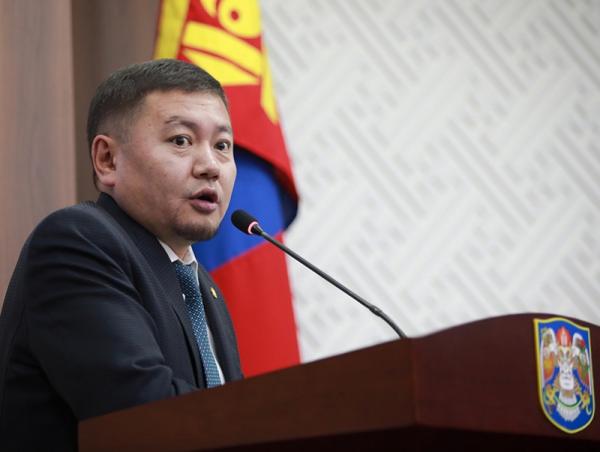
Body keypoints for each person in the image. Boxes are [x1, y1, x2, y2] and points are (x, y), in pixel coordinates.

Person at [0, 59, 243, 451]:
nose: (210, 166)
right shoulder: (77, 243)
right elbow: (144, 415)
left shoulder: (202, 287)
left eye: (222, 146)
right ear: (108, 160)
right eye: (181, 140)